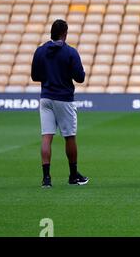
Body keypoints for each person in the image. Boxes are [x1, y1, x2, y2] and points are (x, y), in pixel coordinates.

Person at [31, 19, 88, 188]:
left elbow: (35, 76)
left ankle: (46, 178)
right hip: (64, 98)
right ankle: (73, 175)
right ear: (65, 33)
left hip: (46, 97)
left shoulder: (40, 51)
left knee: (46, 136)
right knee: (69, 136)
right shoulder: (70, 52)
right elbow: (80, 77)